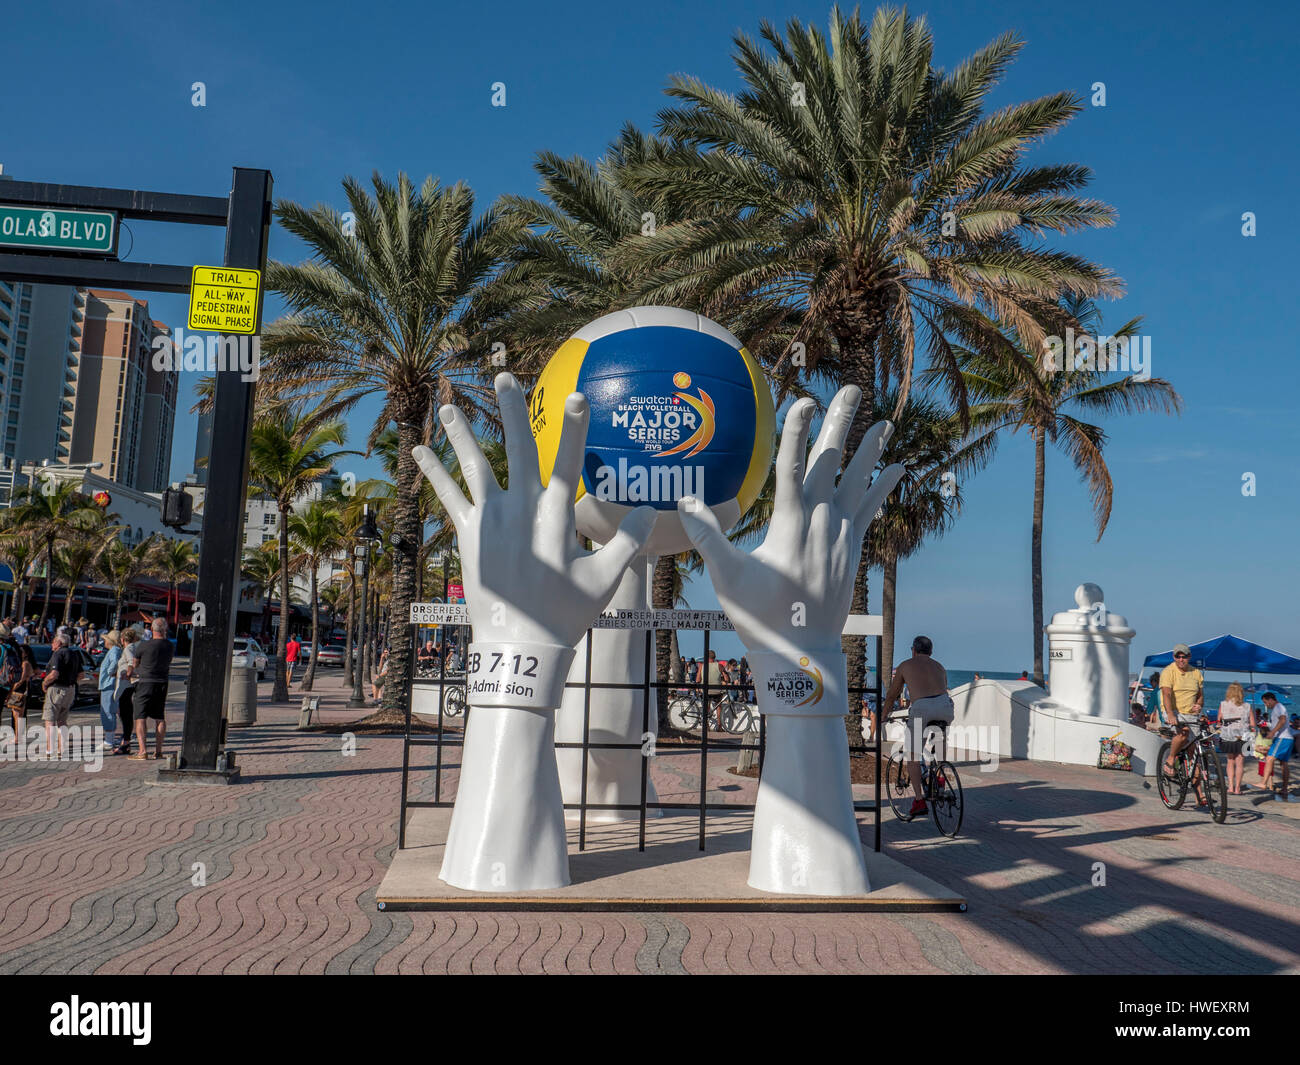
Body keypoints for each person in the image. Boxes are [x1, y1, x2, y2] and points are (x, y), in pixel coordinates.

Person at [881, 636, 954, 817]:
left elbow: (891, 695)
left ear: (913, 650)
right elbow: (941, 689)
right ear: (931, 652)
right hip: (945, 706)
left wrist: (883, 716)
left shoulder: (906, 665)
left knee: (913, 756)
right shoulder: (939, 666)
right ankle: (940, 775)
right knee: (940, 736)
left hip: (922, 707)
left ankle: (919, 800)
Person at [128, 619, 173, 761]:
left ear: (152, 629)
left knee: (140, 717)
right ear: (165, 630)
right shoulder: (169, 646)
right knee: (160, 717)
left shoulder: (144, 645)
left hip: (145, 682)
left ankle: (143, 751)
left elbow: (135, 663)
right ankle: (158, 751)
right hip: (162, 683)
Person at [1160, 644, 1204, 778]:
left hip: (1191, 714)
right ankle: (1170, 759)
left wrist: (1199, 704)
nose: (1180, 659)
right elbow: (1166, 694)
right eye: (1177, 656)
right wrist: (1170, 714)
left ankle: (1200, 797)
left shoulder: (1196, 673)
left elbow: (1200, 696)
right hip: (1174, 712)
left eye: (1183, 656)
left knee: (1194, 753)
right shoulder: (1168, 671)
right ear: (1174, 657)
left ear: (1189, 657)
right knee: (1183, 733)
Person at [42, 633, 81, 758]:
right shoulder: (74, 654)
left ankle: (50, 750)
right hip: (70, 689)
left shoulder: (58, 654)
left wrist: (44, 682)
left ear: (59, 643)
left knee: (50, 719)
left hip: (57, 688)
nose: (52, 644)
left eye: (53, 641)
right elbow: (82, 674)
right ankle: (62, 749)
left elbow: (54, 674)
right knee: (62, 720)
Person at [1216, 682, 1255, 796]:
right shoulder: (1247, 706)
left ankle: (1231, 787)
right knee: (1240, 762)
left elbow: (1219, 721)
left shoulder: (1223, 704)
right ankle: (1238, 788)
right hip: (1244, 736)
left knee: (1230, 761)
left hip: (1228, 735)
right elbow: (1252, 723)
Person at [1258, 692, 1293, 801]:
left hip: (1282, 738)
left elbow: (1282, 720)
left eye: (1265, 702)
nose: (1266, 705)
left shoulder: (1278, 707)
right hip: (1288, 738)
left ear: (1270, 699)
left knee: (1269, 758)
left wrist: (1272, 732)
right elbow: (1280, 721)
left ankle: (1263, 783)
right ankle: (1284, 789)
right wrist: (1268, 726)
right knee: (1283, 764)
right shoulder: (1278, 708)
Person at [113, 629, 139, 755]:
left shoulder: (128, 648)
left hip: (125, 686)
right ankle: (126, 741)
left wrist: (128, 673)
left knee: (125, 714)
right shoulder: (135, 647)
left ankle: (126, 743)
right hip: (128, 686)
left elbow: (131, 662)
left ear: (122, 639)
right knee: (126, 714)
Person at [97, 629, 123, 751]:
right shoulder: (116, 650)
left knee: (107, 711)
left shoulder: (114, 650)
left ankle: (109, 740)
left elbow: (114, 663)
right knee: (111, 710)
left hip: (108, 685)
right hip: (110, 684)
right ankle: (110, 738)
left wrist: (110, 672)